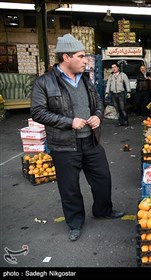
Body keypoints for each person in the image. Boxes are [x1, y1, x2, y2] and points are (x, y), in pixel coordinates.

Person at [30, 34, 125, 242]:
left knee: (103, 180)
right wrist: (68, 121)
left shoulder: (86, 80)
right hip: (64, 145)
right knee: (69, 187)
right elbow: (37, 112)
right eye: (81, 56)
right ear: (66, 57)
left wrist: (98, 116)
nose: (85, 60)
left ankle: (103, 210)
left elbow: (98, 102)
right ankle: (75, 223)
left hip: (90, 140)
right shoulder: (44, 83)